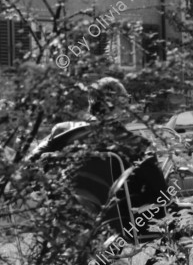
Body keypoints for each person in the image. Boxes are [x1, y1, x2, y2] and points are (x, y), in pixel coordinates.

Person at [28, 77, 169, 244]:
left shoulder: (62, 131)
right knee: (181, 213)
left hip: (66, 218)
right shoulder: (134, 144)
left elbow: (29, 163)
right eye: (126, 100)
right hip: (121, 225)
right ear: (118, 105)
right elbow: (162, 193)